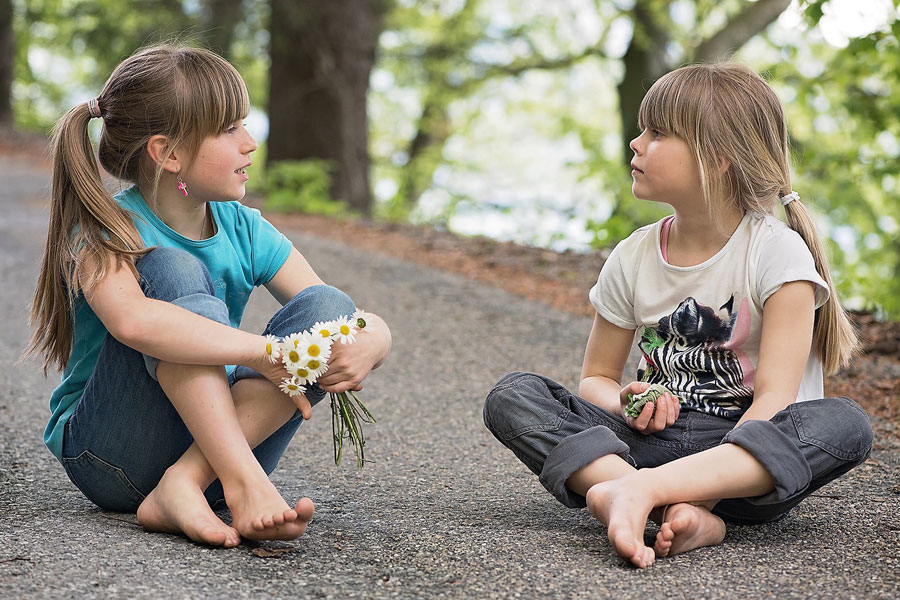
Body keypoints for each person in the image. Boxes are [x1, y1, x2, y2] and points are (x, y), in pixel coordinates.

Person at [483, 63, 872, 568]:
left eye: (658, 133)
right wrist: (627, 401)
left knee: (845, 424)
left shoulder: (777, 254)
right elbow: (597, 378)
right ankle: (643, 497)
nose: (636, 144)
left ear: (718, 159)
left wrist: (700, 494)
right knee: (514, 396)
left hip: (742, 467)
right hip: (644, 445)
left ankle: (632, 495)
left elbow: (774, 402)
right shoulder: (634, 254)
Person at [26, 45, 392, 548]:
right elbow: (133, 323)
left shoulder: (244, 228)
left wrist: (375, 338)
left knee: (328, 308)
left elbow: (335, 311)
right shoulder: (104, 229)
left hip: (219, 453)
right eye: (229, 129)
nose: (250, 144)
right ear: (168, 153)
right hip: (114, 455)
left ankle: (187, 482)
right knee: (173, 268)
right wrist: (265, 353)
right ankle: (240, 482)